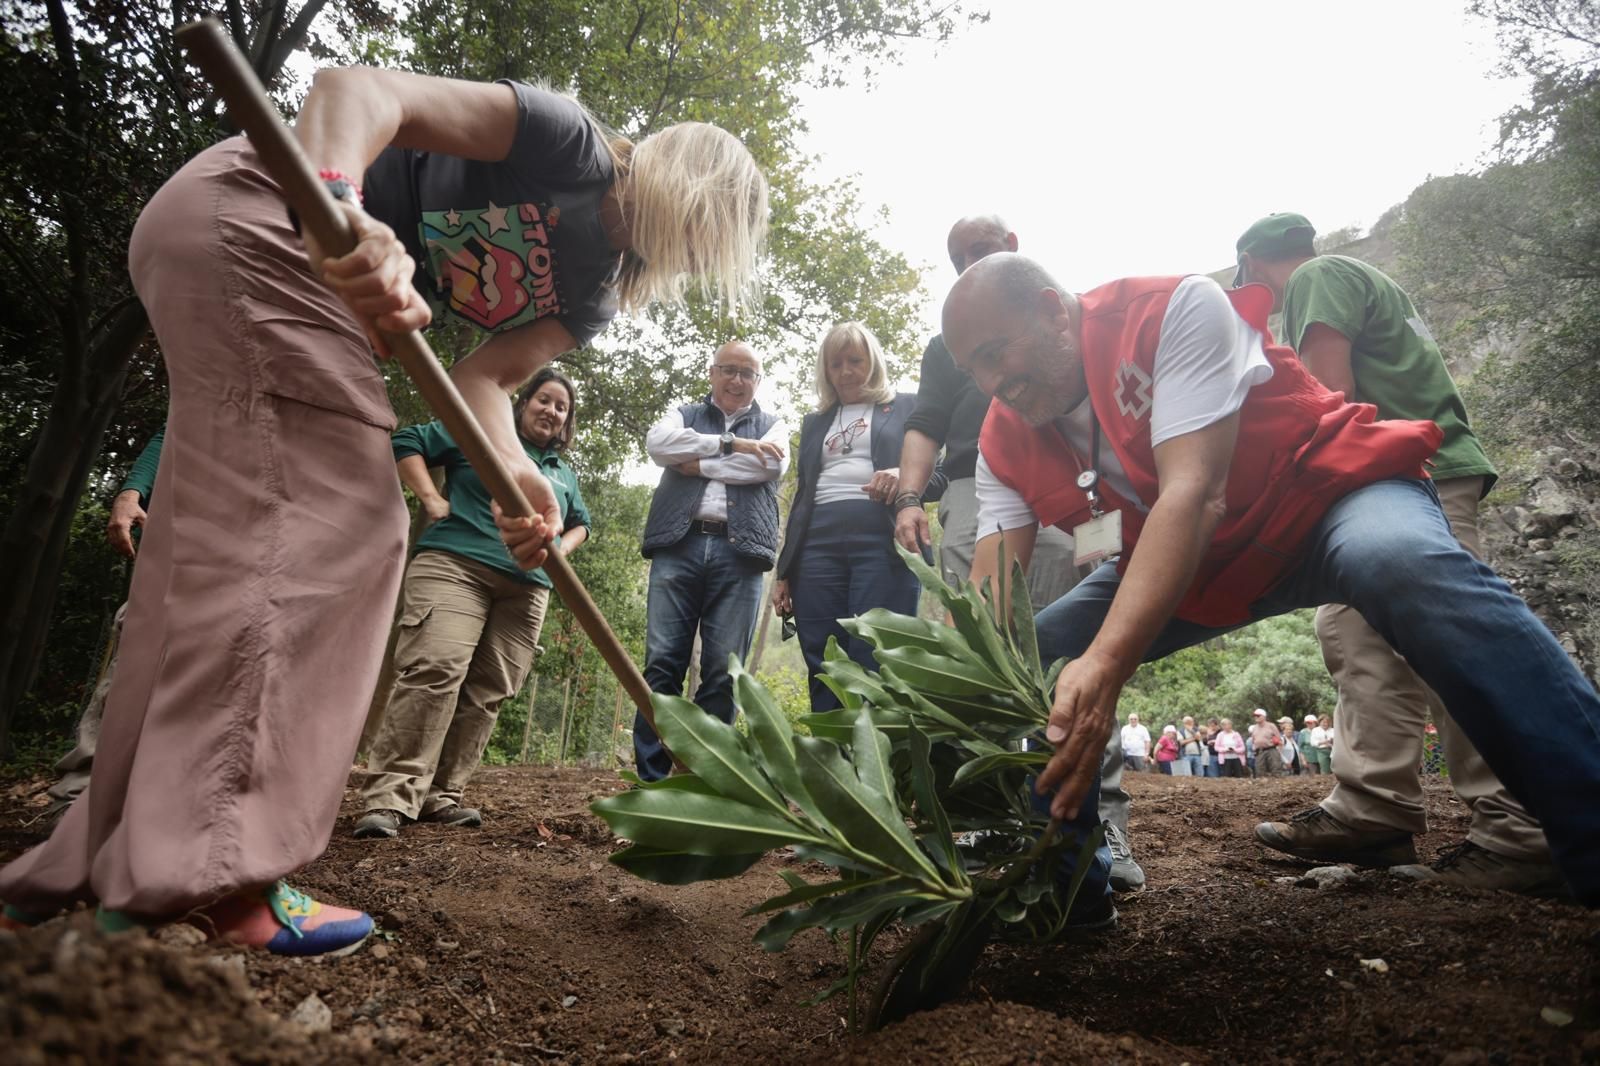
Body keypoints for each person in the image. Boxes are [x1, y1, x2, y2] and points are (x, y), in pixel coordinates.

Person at [0, 69, 767, 952]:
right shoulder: (566, 141)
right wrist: (344, 206)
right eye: (707, 228)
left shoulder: (592, 292)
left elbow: (483, 382)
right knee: (345, 532)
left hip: (244, 254)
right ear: (687, 182)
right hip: (262, 212)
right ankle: (216, 871)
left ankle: (100, 860)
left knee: (210, 557)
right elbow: (355, 92)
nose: (698, 253)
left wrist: (525, 485)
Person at [946, 252, 1600, 909]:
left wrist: (1107, 664)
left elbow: (1195, 494)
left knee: (1400, 562)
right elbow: (990, 602)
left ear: (1054, 312)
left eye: (996, 353)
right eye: (973, 368)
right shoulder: (1002, 442)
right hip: (1202, 567)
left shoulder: (1169, 310)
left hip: (1323, 500)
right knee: (1034, 659)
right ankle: (1069, 903)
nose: (991, 383)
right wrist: (935, 684)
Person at [1236, 214, 1564, 895]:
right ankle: (1373, 811)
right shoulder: (1360, 277)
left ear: (1252, 266)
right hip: (1404, 477)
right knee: (1355, 630)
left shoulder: (1318, 279)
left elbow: (1330, 404)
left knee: (1448, 638)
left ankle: (1520, 827)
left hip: (1413, 474)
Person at [892, 214, 1144, 893]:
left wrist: (1110, 534)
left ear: (1012, 250)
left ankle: (1102, 822)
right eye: (957, 255)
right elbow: (925, 422)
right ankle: (990, 820)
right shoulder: (945, 348)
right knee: (984, 653)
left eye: (982, 248)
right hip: (980, 485)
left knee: (1080, 649)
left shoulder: (1065, 318)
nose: (970, 260)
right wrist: (908, 498)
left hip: (1069, 482)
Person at [354, 369, 589, 839]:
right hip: (456, 563)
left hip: (527, 589)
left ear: (566, 423)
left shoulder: (562, 473)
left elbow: (580, 522)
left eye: (561, 408)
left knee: (489, 690)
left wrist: (559, 552)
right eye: (544, 400)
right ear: (523, 403)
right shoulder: (481, 432)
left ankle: (443, 793)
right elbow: (407, 442)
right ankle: (392, 795)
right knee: (435, 668)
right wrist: (431, 499)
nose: (551, 411)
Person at [633, 342, 788, 781]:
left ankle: (704, 783)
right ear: (712, 373)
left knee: (723, 673)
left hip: (738, 556)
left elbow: (766, 470)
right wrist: (731, 444)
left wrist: (696, 464)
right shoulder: (682, 414)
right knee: (662, 664)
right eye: (729, 370)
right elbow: (658, 445)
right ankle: (653, 784)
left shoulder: (774, 426)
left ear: (758, 380)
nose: (737, 380)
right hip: (677, 547)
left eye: (747, 373)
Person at [772, 323, 918, 711]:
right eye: (835, 364)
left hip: (882, 538)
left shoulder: (906, 407)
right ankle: (832, 757)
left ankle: (880, 759)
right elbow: (802, 496)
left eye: (855, 360)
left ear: (873, 362)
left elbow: (937, 470)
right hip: (816, 544)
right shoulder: (815, 422)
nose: (846, 371)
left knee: (876, 647)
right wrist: (784, 570)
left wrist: (905, 476)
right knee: (823, 653)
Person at [42, 427, 166, 825]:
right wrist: (131, 493)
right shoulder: (229, 370)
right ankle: (78, 794)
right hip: (181, 537)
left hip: (259, 550)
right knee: (138, 647)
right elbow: (175, 425)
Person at [1250, 709, 1285, 778]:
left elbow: (1279, 739)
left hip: (1271, 750)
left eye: (1258, 716)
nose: (1256, 717)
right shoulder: (1254, 728)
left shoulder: (1271, 726)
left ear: (1264, 716)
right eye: (1255, 716)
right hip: (1259, 751)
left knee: (1276, 769)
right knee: (1259, 771)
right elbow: (1253, 740)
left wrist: (1279, 751)